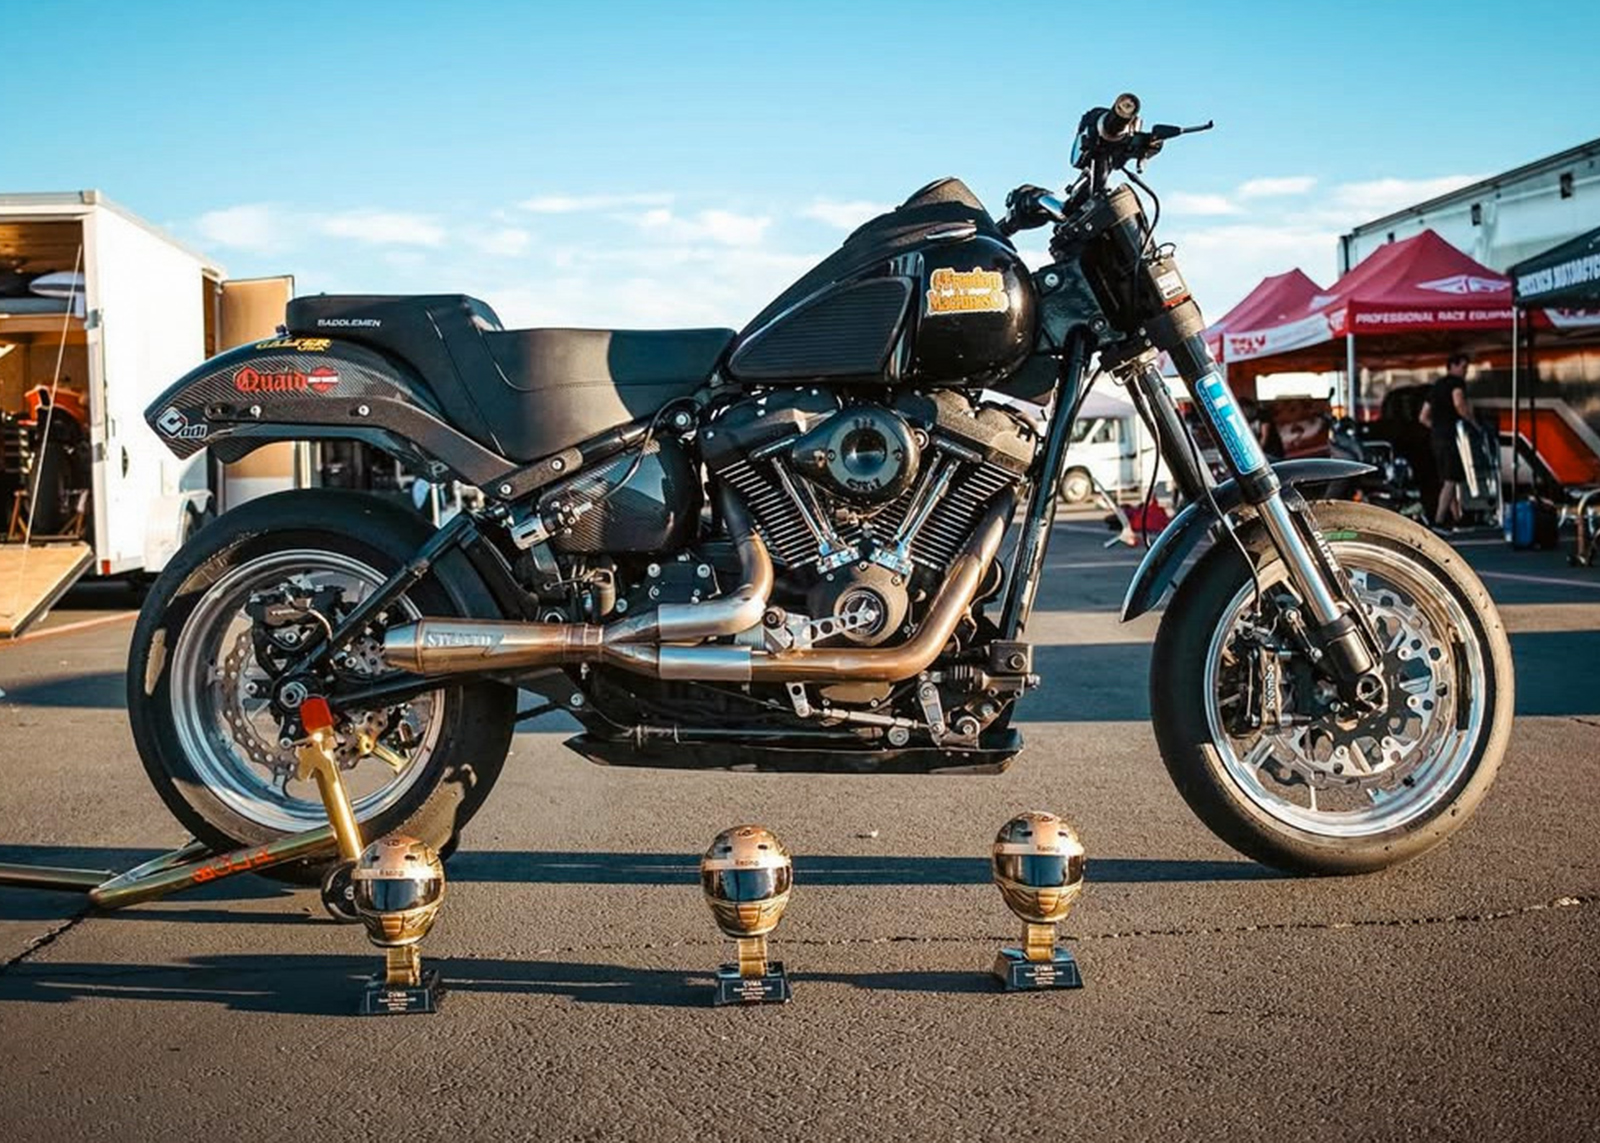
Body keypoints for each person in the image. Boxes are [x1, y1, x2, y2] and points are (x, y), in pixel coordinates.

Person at [1418, 352, 1472, 530]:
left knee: (1448, 478)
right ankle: (1438, 521)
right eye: (1464, 367)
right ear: (1453, 366)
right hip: (1451, 437)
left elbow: (1423, 417)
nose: (1466, 371)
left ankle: (1458, 517)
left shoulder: (1436, 386)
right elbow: (1459, 403)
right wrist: (1471, 421)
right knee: (1451, 478)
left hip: (1436, 437)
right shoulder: (1456, 384)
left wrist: (1437, 427)